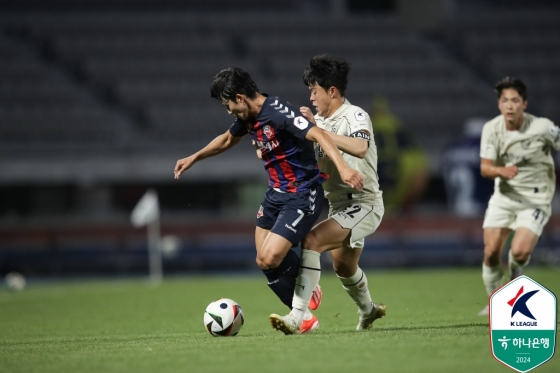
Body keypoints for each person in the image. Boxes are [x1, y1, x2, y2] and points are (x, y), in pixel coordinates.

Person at [174, 67, 364, 331]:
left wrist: (343, 168)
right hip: (275, 194)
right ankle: (306, 314)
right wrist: (193, 157)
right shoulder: (249, 115)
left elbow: (318, 134)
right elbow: (229, 138)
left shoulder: (278, 112)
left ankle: (303, 295)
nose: (228, 111)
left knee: (271, 257)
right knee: (263, 261)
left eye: (227, 104)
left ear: (240, 97)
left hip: (301, 194)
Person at [268, 54, 386, 334]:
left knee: (312, 241)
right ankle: (369, 311)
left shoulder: (355, 115)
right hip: (338, 206)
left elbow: (359, 148)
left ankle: (297, 317)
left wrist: (318, 130)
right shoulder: (316, 122)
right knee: (344, 267)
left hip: (365, 203)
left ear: (332, 91)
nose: (311, 97)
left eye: (314, 90)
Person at [478, 77, 560, 316]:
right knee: (491, 252)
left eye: (515, 100)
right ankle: (494, 300)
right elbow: (485, 168)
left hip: (535, 200)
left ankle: (514, 279)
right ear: (499, 105)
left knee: (520, 252)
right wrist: (500, 170)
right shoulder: (492, 129)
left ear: (525, 103)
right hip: (504, 198)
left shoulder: (543, 127)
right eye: (505, 100)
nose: (510, 105)